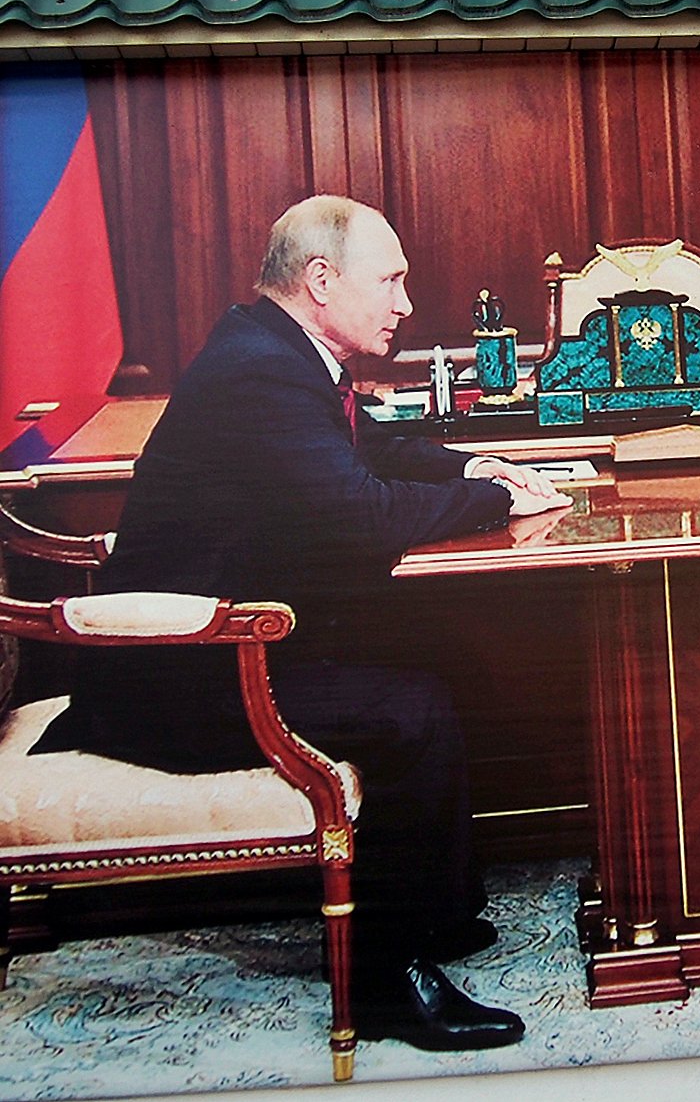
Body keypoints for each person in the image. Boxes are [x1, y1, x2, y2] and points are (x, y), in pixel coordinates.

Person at [35, 194, 571, 1050]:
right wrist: (494, 501)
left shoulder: (275, 350)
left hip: (224, 647)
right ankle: (384, 983)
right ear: (321, 280)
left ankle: (431, 917)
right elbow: (357, 514)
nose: (404, 302)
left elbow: (371, 448)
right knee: (409, 709)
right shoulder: (260, 370)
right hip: (176, 676)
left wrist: (476, 464)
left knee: (447, 659)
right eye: (389, 280)